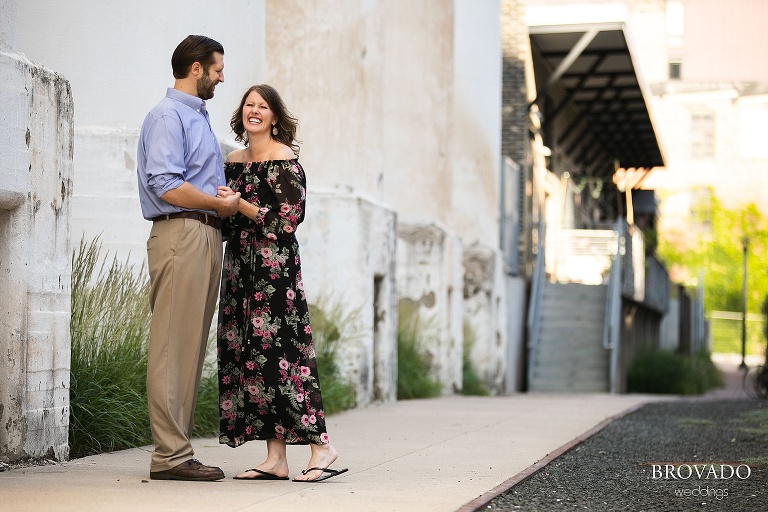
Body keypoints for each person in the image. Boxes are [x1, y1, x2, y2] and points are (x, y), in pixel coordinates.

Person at [217, 84, 347, 482]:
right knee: (251, 359)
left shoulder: (285, 161)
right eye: (248, 105)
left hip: (275, 275)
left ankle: (322, 447)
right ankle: (275, 459)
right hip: (240, 268)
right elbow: (226, 222)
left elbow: (287, 221)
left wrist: (239, 204)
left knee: (283, 359)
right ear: (241, 114)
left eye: (263, 106)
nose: (254, 110)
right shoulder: (233, 161)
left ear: (275, 116)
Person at [137, 34, 241, 482]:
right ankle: (170, 456)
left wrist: (221, 201)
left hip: (204, 235)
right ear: (195, 68)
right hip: (182, 232)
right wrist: (217, 204)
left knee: (190, 349)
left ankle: (176, 451)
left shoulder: (198, 117)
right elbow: (165, 183)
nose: (222, 76)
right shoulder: (167, 116)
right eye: (217, 69)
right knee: (171, 348)